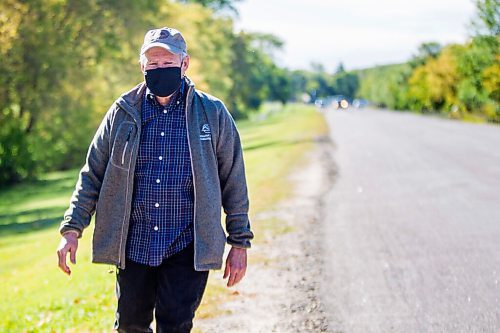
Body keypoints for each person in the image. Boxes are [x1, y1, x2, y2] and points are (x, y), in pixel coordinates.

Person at [56, 27, 254, 332]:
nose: (159, 70)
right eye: (153, 64)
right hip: (134, 243)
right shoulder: (122, 112)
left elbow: (234, 181)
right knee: (130, 326)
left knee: (175, 326)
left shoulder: (212, 113)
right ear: (142, 67)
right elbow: (92, 173)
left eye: (167, 63)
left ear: (184, 63)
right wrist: (72, 230)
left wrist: (239, 242)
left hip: (186, 244)